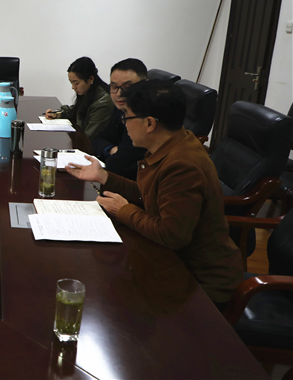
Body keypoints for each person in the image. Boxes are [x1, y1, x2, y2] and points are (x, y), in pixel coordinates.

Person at [66, 81, 242, 306]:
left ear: (149, 123)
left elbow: (172, 234)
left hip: (199, 280)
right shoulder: (174, 144)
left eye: (126, 117)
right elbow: (148, 194)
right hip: (172, 263)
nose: (124, 124)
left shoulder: (182, 165)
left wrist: (124, 210)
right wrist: (104, 177)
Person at [90, 58, 149, 180]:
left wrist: (113, 154)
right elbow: (97, 139)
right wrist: (112, 150)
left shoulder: (145, 118)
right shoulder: (121, 108)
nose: (119, 93)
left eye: (127, 87)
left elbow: (116, 165)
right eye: (114, 86)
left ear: (145, 85)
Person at [44, 57, 114, 140]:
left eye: (76, 83)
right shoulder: (89, 92)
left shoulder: (103, 104)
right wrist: (58, 114)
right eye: (71, 83)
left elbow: (88, 137)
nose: (73, 87)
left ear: (90, 79)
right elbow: (77, 110)